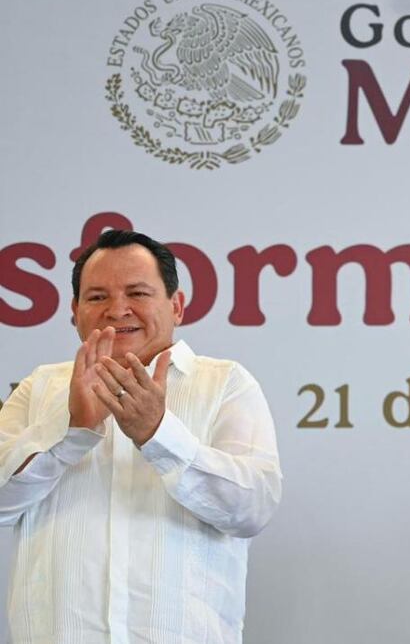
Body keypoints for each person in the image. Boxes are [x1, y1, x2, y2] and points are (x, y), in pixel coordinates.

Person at [0, 229, 282, 643]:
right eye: (97, 298)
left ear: (177, 306)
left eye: (137, 293)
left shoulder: (226, 384)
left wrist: (158, 433)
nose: (118, 310)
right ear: (75, 311)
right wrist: (71, 430)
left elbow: (252, 508)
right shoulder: (38, 388)